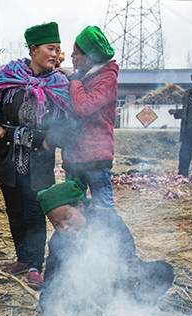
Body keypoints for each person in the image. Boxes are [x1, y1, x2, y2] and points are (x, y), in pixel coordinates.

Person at [0, 21, 73, 289]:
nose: (56, 54)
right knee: (15, 210)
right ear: (33, 50)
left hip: (38, 161)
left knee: (34, 211)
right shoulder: (10, 76)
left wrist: (51, 140)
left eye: (58, 49)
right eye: (50, 48)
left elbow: (70, 121)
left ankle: (35, 265)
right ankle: (22, 258)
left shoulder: (59, 84)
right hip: (8, 157)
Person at [37, 179, 174, 316]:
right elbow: (49, 290)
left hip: (120, 283)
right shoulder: (57, 243)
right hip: (87, 292)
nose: (64, 227)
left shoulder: (108, 219)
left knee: (162, 271)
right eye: (56, 224)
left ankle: (139, 309)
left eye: (67, 217)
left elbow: (128, 260)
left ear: (81, 206)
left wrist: (124, 302)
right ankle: (105, 313)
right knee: (73, 295)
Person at [57, 25, 119, 209]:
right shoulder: (86, 76)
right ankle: (81, 239)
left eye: (76, 54)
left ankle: (115, 238)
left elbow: (84, 106)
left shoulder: (107, 78)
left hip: (95, 155)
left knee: (103, 206)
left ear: (89, 57)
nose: (72, 57)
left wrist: (73, 79)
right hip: (74, 156)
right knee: (76, 206)